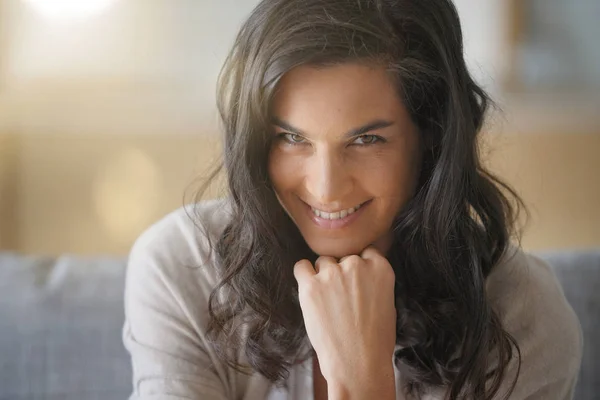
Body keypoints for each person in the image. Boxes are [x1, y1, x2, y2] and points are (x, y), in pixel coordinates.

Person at [122, 0, 583, 399]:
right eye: (290, 138)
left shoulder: (523, 317)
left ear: (431, 137)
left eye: (365, 140)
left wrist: (362, 383)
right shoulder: (181, 270)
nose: (325, 188)